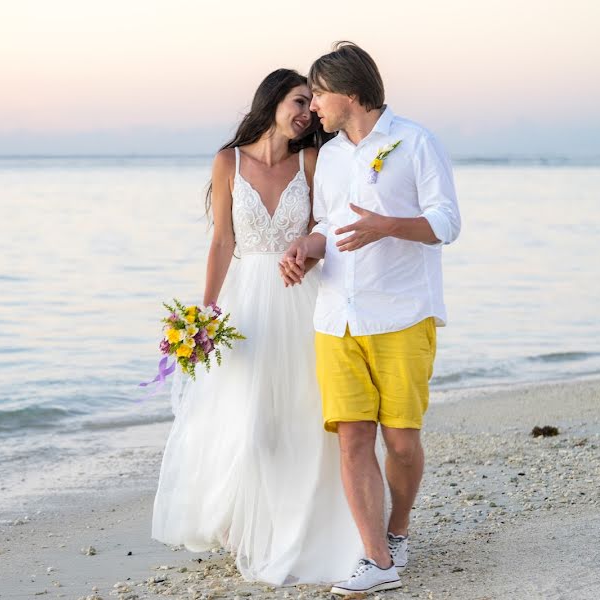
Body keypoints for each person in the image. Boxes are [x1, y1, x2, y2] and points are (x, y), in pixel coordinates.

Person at [151, 68, 362, 585]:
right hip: (245, 304)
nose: (307, 113)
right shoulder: (228, 161)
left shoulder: (311, 160)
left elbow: (323, 228)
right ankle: (243, 526)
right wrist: (205, 311)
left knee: (302, 416)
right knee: (244, 422)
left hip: (300, 298)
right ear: (270, 100)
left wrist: (307, 258)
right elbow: (222, 240)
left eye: (312, 106)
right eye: (298, 101)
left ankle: (302, 529)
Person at [281, 42, 462, 596]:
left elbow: (447, 223)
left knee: (401, 443)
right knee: (352, 439)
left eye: (319, 96)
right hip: (336, 317)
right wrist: (304, 249)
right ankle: (378, 559)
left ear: (351, 93)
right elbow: (332, 228)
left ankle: (398, 530)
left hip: (402, 314)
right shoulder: (330, 157)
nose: (313, 108)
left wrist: (389, 225)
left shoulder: (416, 142)